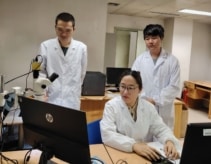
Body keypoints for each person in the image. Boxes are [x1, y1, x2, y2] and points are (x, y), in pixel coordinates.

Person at [100, 70, 180, 162]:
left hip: (144, 155)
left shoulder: (148, 108)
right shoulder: (111, 106)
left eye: (130, 88)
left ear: (140, 90)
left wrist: (169, 141)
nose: (125, 92)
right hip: (120, 153)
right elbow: (107, 134)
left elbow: (161, 129)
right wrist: (133, 145)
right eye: (122, 86)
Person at [132, 24, 180, 130]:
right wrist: (144, 98)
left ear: (161, 38)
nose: (150, 41)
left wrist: (155, 100)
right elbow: (134, 82)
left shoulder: (172, 61)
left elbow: (174, 86)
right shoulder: (139, 60)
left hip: (163, 108)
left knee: (162, 140)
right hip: (143, 105)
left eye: (154, 38)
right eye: (147, 38)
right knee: (143, 138)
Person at [38, 12, 88, 110]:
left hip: (72, 99)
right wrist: (42, 93)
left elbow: (82, 74)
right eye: (60, 29)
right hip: (51, 98)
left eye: (68, 30)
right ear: (55, 28)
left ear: (74, 29)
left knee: (70, 124)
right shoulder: (45, 46)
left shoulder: (81, 48)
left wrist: (74, 90)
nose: (64, 34)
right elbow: (40, 72)